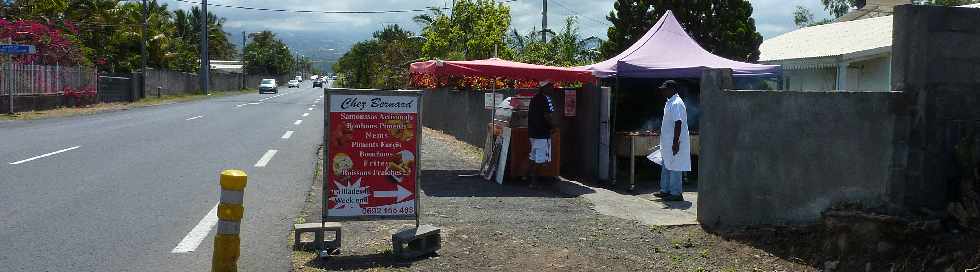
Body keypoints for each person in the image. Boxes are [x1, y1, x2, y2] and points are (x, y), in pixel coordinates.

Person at [654, 80, 691, 202]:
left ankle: (676, 193)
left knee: (675, 166)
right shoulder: (670, 102)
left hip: (675, 142)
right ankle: (665, 190)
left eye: (665, 89)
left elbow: (678, 122)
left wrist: (676, 142)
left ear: (672, 89)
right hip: (668, 142)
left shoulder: (676, 103)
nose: (663, 91)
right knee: (666, 165)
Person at [526, 80, 556, 188]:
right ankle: (534, 182)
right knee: (540, 159)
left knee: (533, 157)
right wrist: (553, 127)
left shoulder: (534, 98)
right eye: (551, 86)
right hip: (542, 133)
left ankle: (526, 176)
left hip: (532, 132)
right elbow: (548, 115)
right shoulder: (546, 99)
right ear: (545, 87)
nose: (552, 88)